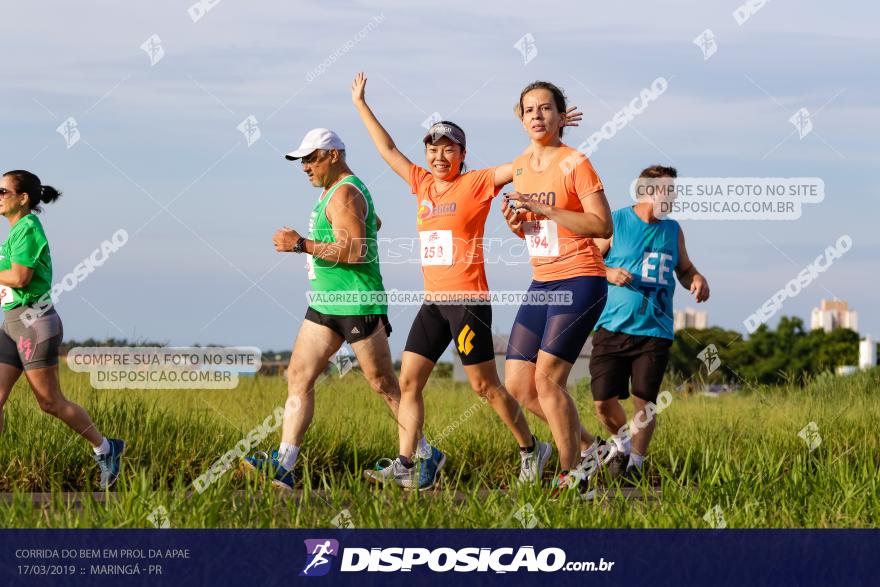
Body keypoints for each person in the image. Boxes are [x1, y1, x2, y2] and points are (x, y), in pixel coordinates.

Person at [351, 72, 585, 489]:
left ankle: (532, 449)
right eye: (433, 149)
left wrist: (555, 129)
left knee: (485, 386)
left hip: (468, 301)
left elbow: (523, 165)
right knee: (408, 382)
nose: (440, 157)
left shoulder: (476, 183)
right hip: (433, 303)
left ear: (462, 154)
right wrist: (361, 106)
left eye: (449, 150)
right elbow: (387, 149)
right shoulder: (421, 183)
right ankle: (408, 463)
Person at [242, 128, 403, 492]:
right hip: (324, 303)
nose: (305, 167)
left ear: (334, 155)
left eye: (311, 158)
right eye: (302, 161)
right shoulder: (338, 192)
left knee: (382, 383)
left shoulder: (344, 191)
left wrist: (300, 244)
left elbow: (356, 251)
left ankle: (422, 454)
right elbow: (371, 225)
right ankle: (285, 464)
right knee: (298, 376)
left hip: (357, 302)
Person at [500, 81, 613, 497]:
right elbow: (537, 232)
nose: (536, 115)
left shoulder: (575, 162)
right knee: (518, 384)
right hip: (542, 279)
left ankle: (574, 475)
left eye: (545, 109)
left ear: (561, 116)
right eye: (529, 109)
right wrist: (520, 226)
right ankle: (590, 449)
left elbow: (602, 225)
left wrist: (546, 208)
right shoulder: (520, 166)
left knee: (548, 380)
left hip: (581, 277)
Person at [0, 170, 125, 489]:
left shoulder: (27, 228)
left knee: (50, 402)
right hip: (12, 322)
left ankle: (106, 448)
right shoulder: (15, 232)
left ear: (23, 198)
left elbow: (20, 278)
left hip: (34, 323)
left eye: (2, 191)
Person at [589, 165, 709, 484]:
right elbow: (587, 261)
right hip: (612, 326)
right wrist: (609, 273)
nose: (671, 197)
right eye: (665, 191)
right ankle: (622, 446)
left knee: (645, 400)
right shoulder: (615, 222)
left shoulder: (673, 230)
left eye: (673, 191)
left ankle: (636, 467)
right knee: (602, 401)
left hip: (655, 329)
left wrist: (696, 278)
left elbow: (683, 269)